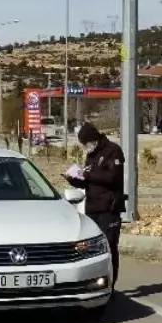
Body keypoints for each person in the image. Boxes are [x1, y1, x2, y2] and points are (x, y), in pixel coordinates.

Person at [63, 122, 126, 286]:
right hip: (92, 208)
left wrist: (88, 175)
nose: (85, 147)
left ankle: (110, 285)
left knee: (110, 247)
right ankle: (93, 282)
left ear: (93, 139)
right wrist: (73, 179)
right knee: (92, 249)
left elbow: (112, 178)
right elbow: (87, 182)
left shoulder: (113, 151)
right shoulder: (91, 155)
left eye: (85, 143)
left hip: (109, 209)